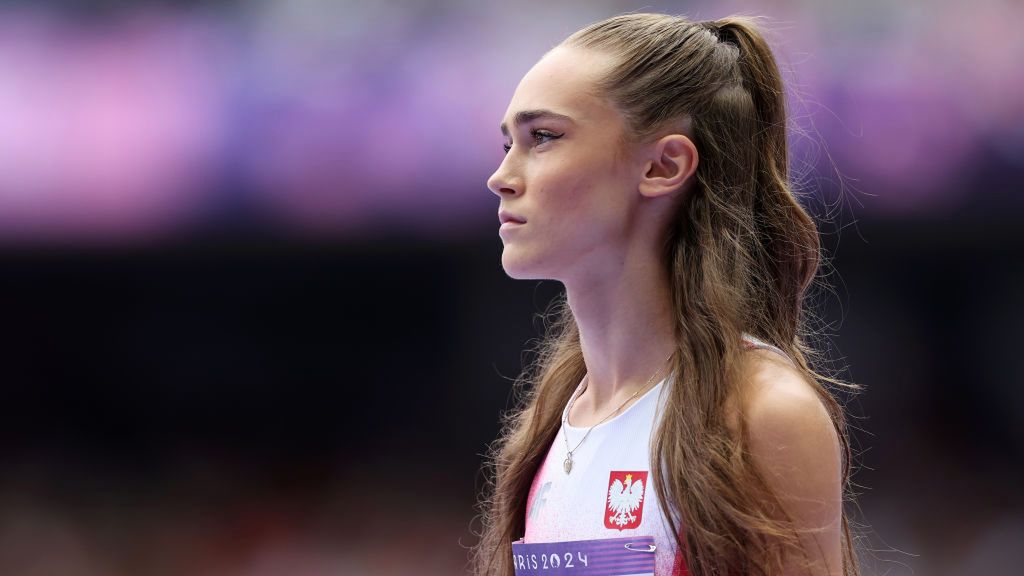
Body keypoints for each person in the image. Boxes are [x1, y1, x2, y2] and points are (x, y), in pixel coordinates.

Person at [473, 12, 863, 576]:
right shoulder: (557, 419)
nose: (502, 176)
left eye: (545, 137)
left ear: (663, 165)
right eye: (509, 142)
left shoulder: (760, 413)